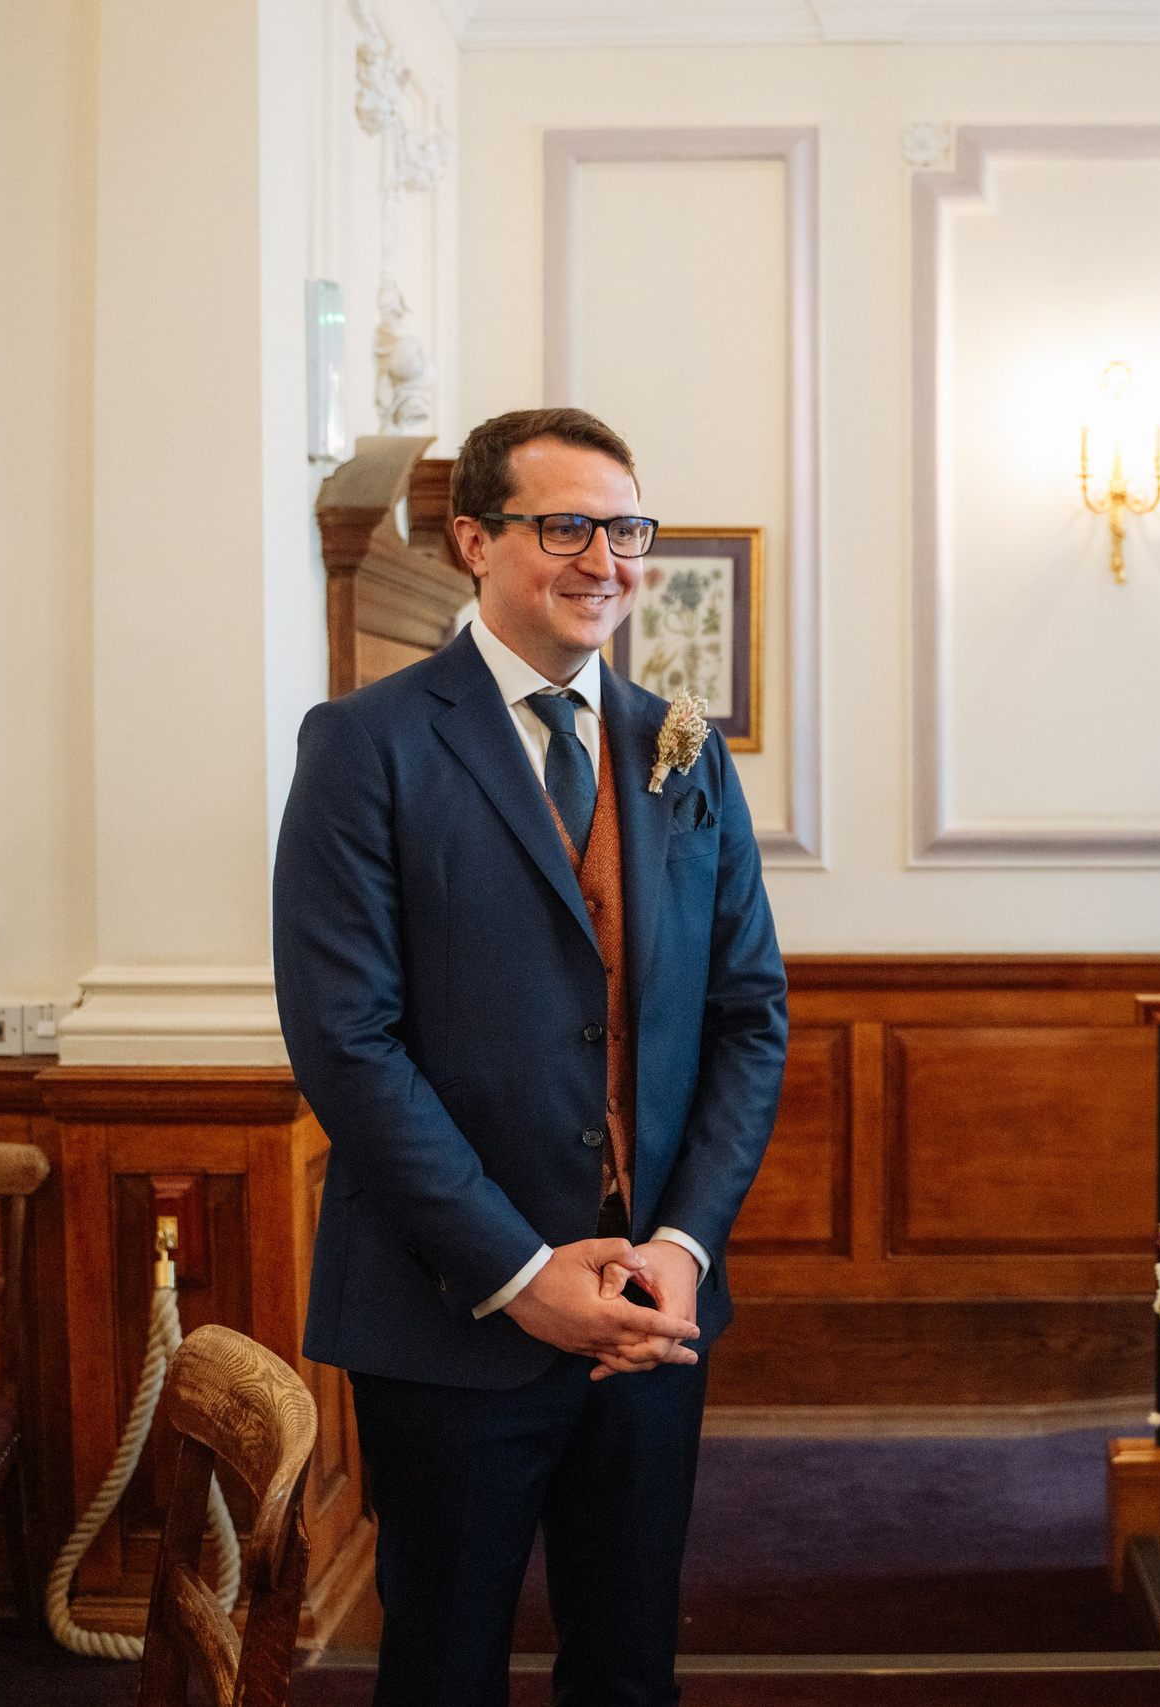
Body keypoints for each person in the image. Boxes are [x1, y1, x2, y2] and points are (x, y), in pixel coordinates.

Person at [273, 407, 790, 1707]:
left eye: (626, 530)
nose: (604, 561)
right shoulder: (366, 743)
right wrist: (517, 1271)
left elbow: (748, 1015)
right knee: (444, 1669)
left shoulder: (680, 748)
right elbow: (347, 1040)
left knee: (629, 1666)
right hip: (447, 1314)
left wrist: (682, 1247)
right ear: (473, 540)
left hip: (651, 1310)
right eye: (566, 527)